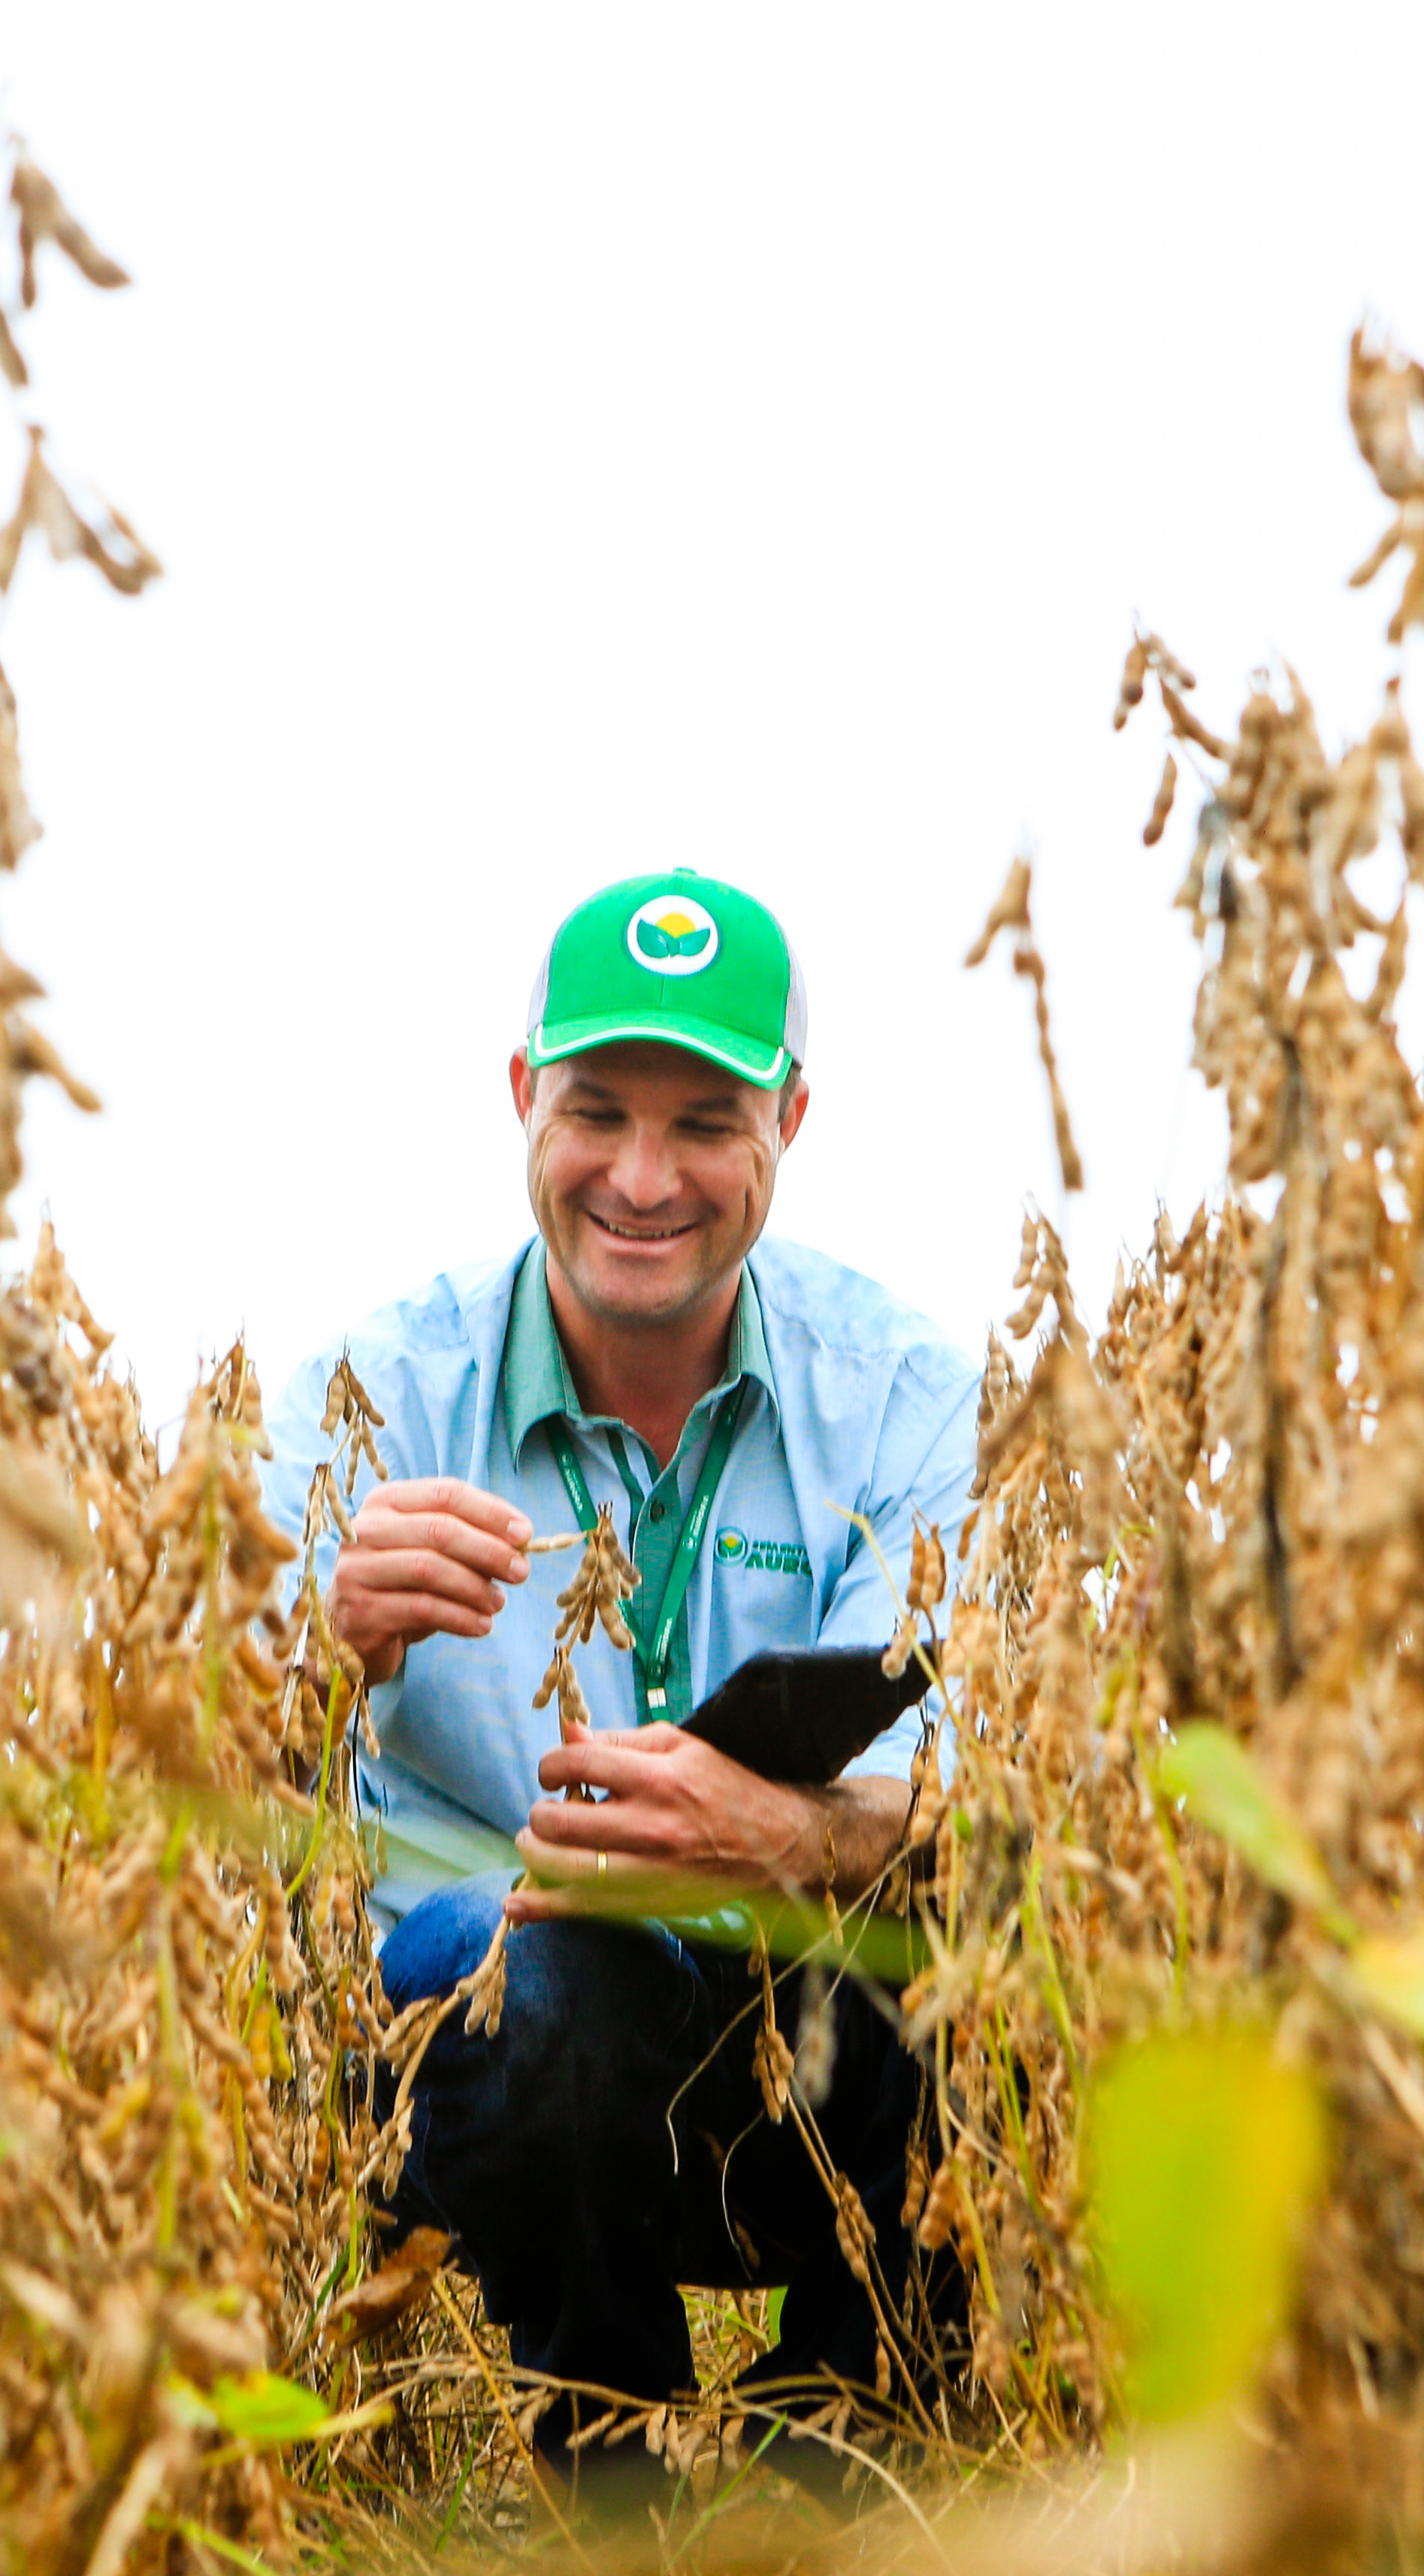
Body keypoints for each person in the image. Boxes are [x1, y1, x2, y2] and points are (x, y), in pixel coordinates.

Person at [258, 869, 978, 2487]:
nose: (643, 1178)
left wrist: (790, 1839)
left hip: (818, 2052)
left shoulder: (914, 1404)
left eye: (707, 1121)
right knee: (490, 1964)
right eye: (598, 1110)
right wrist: (322, 1653)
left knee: (1029, 1972)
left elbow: (997, 1793)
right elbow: (157, 1789)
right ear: (523, 1101)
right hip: (487, 2085)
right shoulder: (366, 1402)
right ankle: (613, 2479)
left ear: (790, 1123)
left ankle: (831, 2476)